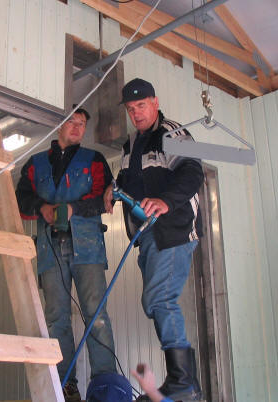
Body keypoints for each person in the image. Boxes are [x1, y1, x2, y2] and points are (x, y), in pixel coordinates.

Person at [104, 78, 204, 401]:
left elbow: (194, 172)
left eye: (141, 106)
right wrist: (113, 190)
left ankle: (183, 381)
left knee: (159, 298)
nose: (136, 113)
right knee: (154, 301)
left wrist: (166, 201)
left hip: (172, 229)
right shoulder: (131, 145)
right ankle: (183, 380)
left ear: (155, 103)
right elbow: (129, 180)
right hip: (147, 236)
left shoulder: (173, 133)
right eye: (131, 109)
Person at [15, 108, 117, 402]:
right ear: (60, 125)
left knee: (96, 314)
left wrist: (74, 209)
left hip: (87, 246)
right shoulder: (34, 165)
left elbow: (105, 199)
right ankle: (65, 386)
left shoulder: (94, 160)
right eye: (72, 122)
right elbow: (20, 199)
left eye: (82, 124)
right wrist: (41, 208)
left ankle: (105, 385)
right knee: (55, 317)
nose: (77, 127)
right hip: (49, 248)